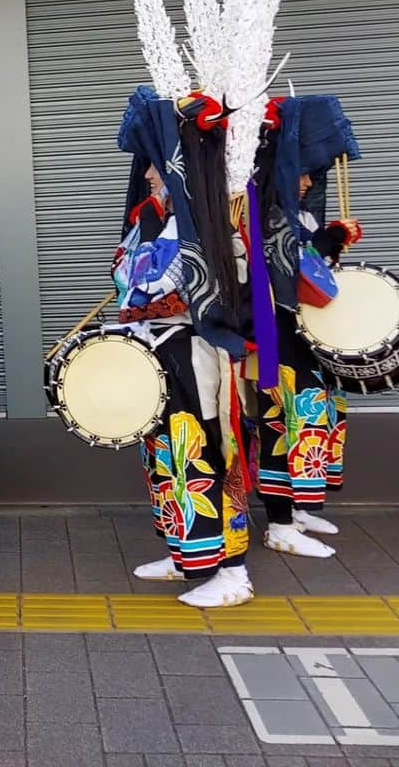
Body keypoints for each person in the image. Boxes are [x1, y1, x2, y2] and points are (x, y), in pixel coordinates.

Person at [116, 89, 253, 609]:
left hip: (194, 353)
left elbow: (155, 286)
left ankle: (233, 571)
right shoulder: (161, 220)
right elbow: (130, 281)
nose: (148, 176)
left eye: (156, 166)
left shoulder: (213, 223)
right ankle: (187, 553)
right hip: (161, 350)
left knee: (208, 454)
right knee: (168, 457)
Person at [247, 95, 361, 558]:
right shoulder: (263, 216)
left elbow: (313, 267)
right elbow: (288, 269)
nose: (312, 180)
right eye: (303, 171)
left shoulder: (300, 215)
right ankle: (277, 522)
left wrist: (331, 239)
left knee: (316, 419)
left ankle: (297, 507)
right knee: (281, 423)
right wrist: (328, 240)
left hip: (305, 337)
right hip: (276, 340)